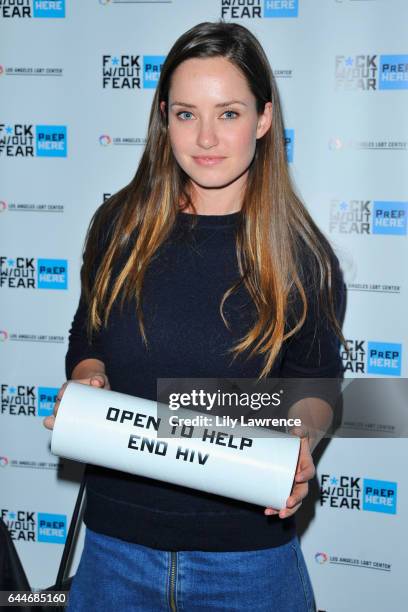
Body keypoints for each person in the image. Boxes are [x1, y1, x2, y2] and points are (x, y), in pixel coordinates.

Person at [43, 20, 346, 612]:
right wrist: (87, 377)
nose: (206, 137)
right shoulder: (120, 226)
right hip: (114, 553)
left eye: (228, 113)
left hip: (249, 563)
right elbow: (89, 334)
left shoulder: (301, 253)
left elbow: (317, 384)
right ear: (164, 118)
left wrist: (301, 436)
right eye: (186, 114)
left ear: (262, 119)